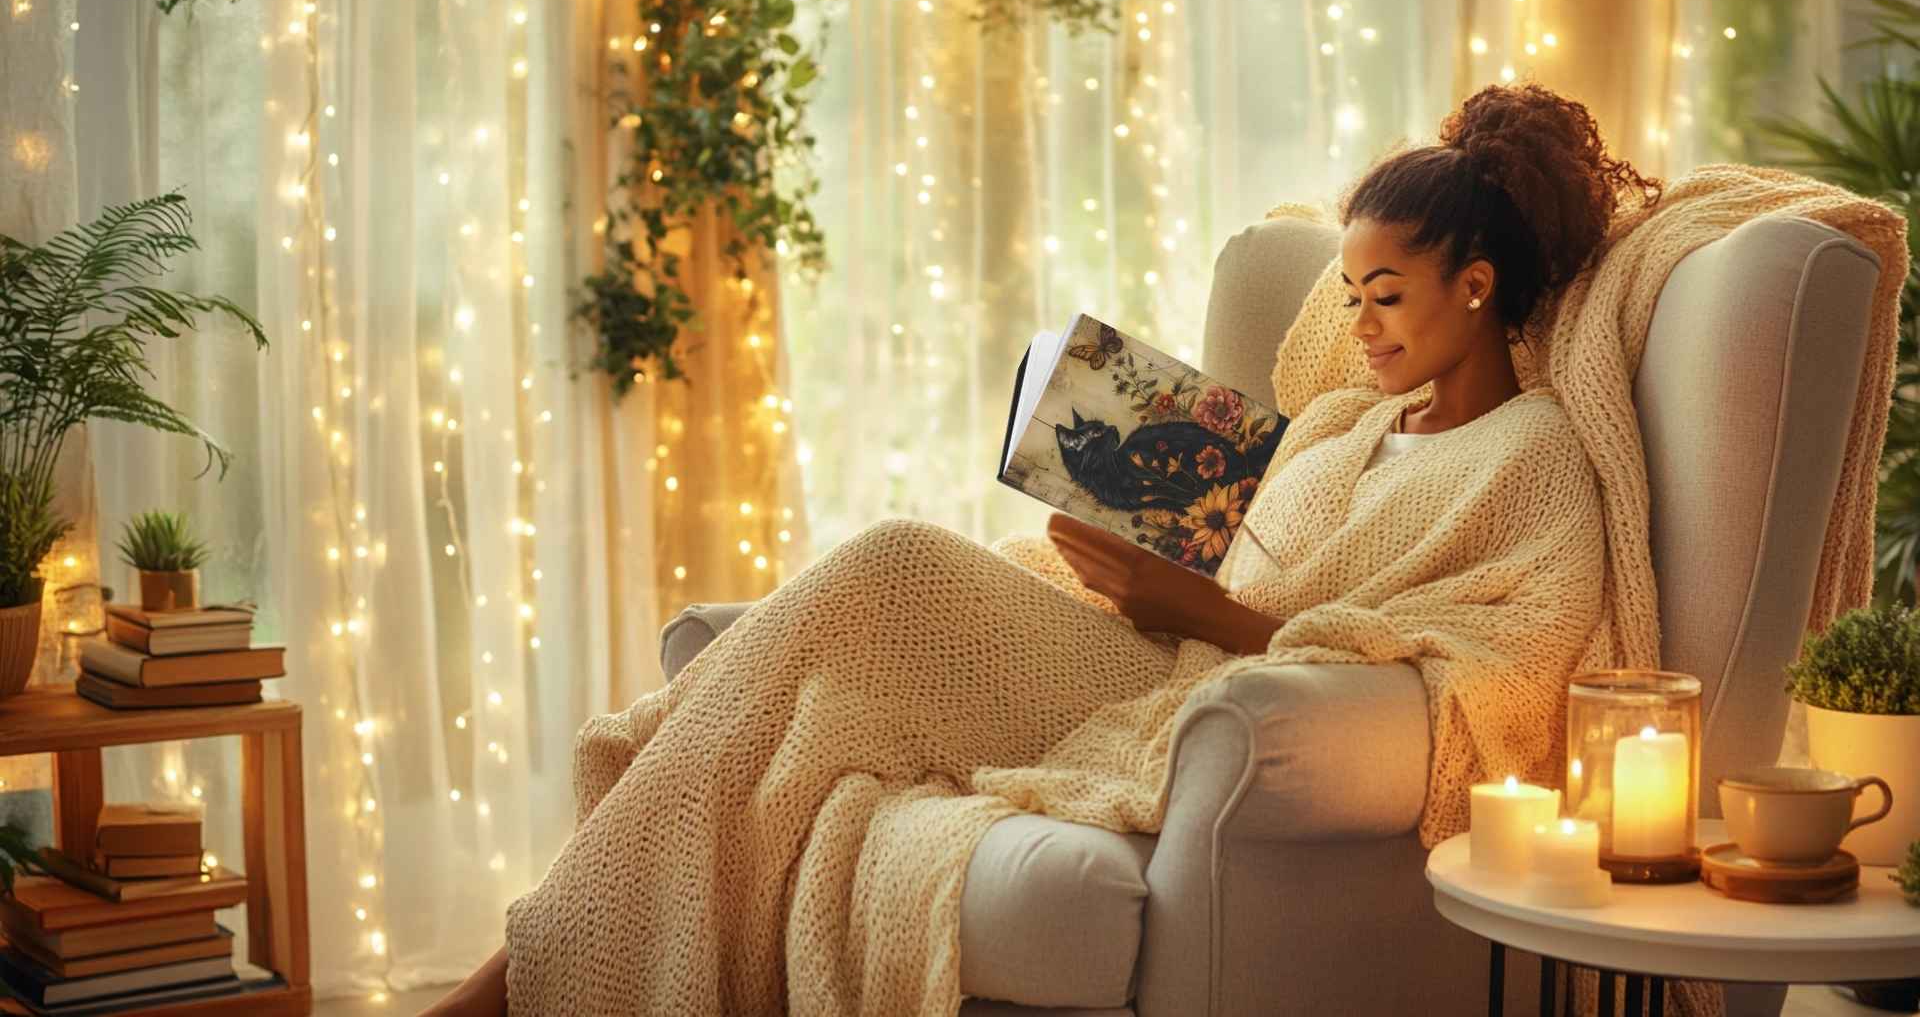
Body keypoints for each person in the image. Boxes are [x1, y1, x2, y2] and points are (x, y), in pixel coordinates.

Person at [423, 80, 1659, 1016]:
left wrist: (1205, 616)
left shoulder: (1532, 458)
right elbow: (1246, 542)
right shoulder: (1345, 421)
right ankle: (547, 965)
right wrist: (1146, 532)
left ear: (1481, 284)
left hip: (1190, 689)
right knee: (814, 685)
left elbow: (1499, 688)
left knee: (892, 562)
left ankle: (517, 982)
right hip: (1147, 639)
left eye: (1386, 295)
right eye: (1349, 297)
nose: (1362, 326)